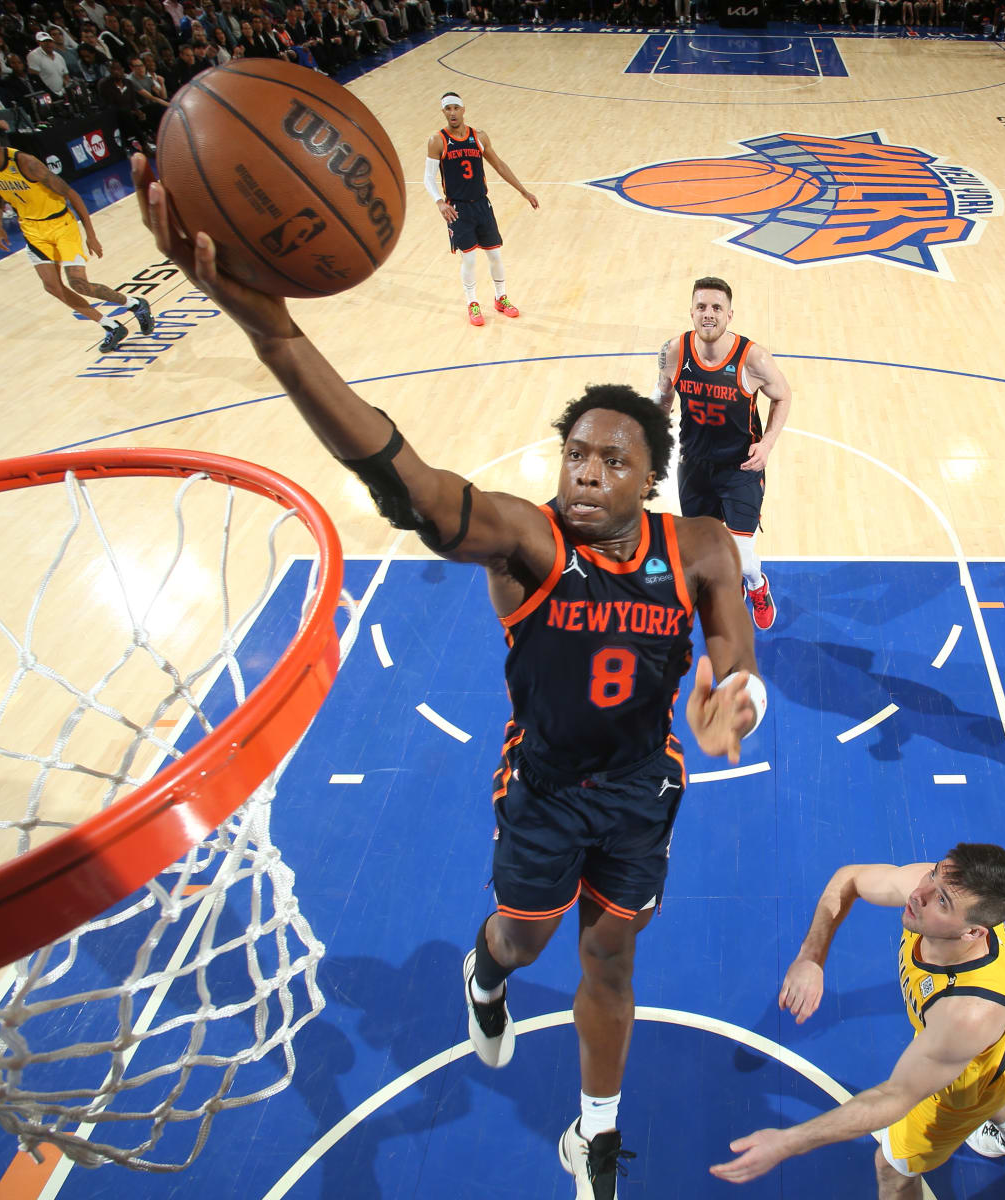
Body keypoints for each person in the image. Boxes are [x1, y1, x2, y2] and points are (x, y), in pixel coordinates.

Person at [130, 147, 766, 1200]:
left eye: (612, 461)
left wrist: (733, 698)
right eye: (575, 458)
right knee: (521, 941)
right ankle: (484, 974)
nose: (588, 475)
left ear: (652, 476)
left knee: (611, 962)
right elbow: (406, 482)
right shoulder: (527, 541)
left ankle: (595, 1140)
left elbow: (733, 648)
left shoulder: (699, 544)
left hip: (644, 786)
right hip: (547, 788)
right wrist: (274, 331)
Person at [711, 848, 1005, 1194]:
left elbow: (895, 1096)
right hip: (989, 1051)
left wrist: (789, 1142)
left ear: (972, 933)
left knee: (892, 1169)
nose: (919, 895)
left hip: (960, 1087)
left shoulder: (966, 1014)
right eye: (933, 873)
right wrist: (811, 957)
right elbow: (850, 878)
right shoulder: (946, 896)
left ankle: (998, 1123)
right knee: (984, 1078)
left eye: (943, 902)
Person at [655, 276, 793, 631]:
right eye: (701, 306)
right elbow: (664, 395)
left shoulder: (753, 358)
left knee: (745, 559)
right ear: (691, 312)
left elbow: (783, 395)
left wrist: (767, 444)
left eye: (717, 307)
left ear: (730, 314)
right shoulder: (674, 350)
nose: (709, 314)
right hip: (694, 466)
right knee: (707, 548)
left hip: (740, 468)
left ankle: (757, 585)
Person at [0, 118, 149, 352]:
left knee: (79, 284)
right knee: (52, 287)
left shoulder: (25, 163)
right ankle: (111, 326)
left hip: (61, 224)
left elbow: (72, 194)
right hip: (31, 228)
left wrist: (90, 234)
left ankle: (135, 303)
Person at [424, 92, 536, 324]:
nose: (452, 113)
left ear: (463, 110)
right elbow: (428, 178)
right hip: (458, 208)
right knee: (470, 259)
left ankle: (500, 298)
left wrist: (523, 191)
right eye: (448, 109)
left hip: (482, 205)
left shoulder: (479, 137)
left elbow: (499, 165)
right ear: (443, 112)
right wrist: (439, 201)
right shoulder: (437, 140)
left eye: (456, 108)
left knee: (494, 254)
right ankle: (472, 303)